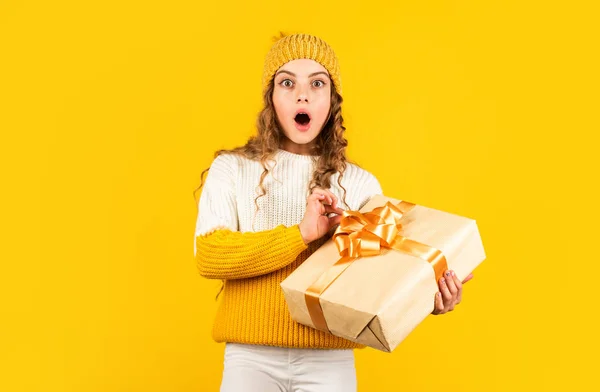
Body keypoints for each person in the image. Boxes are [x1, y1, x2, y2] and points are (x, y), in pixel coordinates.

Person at [193, 33, 474, 392]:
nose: (302, 94)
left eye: (318, 83)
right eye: (287, 82)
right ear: (271, 98)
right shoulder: (231, 169)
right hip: (251, 358)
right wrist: (301, 235)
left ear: (331, 100)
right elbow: (210, 255)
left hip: (329, 362)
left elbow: (380, 278)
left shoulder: (359, 184)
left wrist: (426, 296)